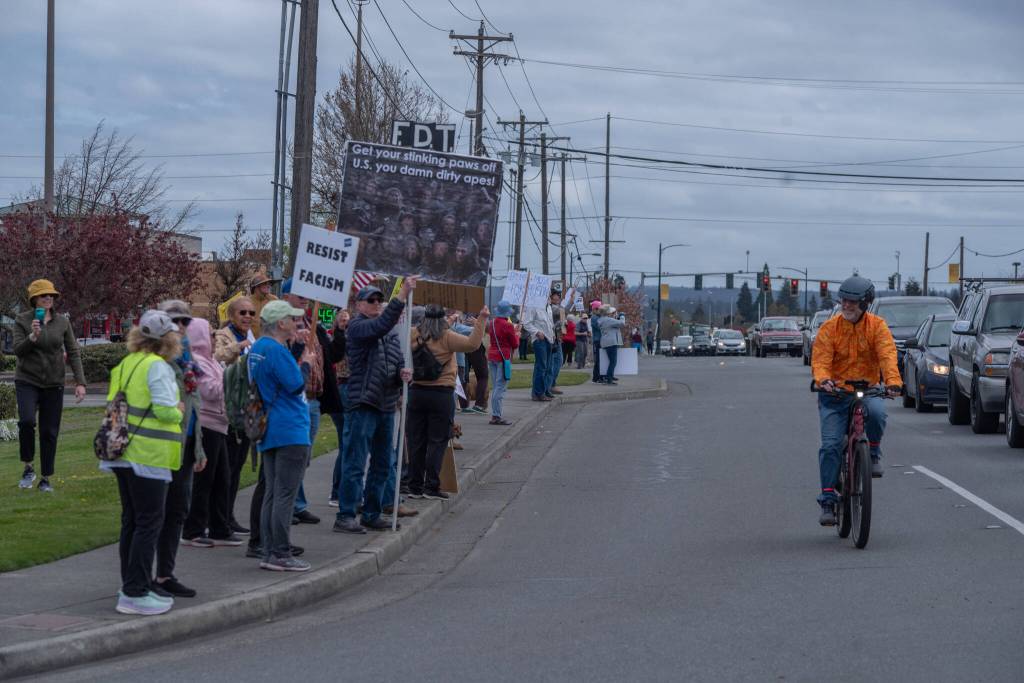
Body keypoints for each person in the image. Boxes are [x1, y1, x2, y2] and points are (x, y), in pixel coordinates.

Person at [102, 310, 183, 616]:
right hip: (148, 455)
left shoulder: (126, 363)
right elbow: (164, 410)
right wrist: (178, 409)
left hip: (122, 453)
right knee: (149, 523)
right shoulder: (157, 366)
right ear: (166, 339)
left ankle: (132, 585)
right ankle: (135, 592)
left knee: (133, 522)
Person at [811, 275, 902, 527]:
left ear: (865, 303)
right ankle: (828, 501)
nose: (846, 305)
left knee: (877, 413)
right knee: (830, 445)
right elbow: (820, 359)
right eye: (843, 300)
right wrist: (823, 379)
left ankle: (872, 452)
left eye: (852, 301)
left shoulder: (877, 327)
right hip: (835, 394)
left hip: (867, 389)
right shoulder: (829, 328)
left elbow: (887, 355)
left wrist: (893, 382)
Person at [333, 278, 417, 534]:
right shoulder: (358, 327)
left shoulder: (388, 333)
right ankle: (346, 514)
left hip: (386, 404)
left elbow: (396, 360)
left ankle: (371, 513)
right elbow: (381, 325)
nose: (377, 303)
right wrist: (402, 294)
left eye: (379, 300)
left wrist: (403, 375)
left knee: (383, 463)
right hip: (363, 403)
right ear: (359, 304)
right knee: (355, 461)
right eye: (371, 300)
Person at [248, 300, 312, 571]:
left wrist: (295, 351)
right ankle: (281, 553)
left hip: (269, 426)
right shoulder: (275, 350)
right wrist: (306, 364)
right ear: (281, 323)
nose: (296, 322)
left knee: (272, 494)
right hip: (289, 428)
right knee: (285, 494)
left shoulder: (259, 348)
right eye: (292, 318)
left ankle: (268, 550)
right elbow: (295, 385)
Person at [152, 301, 206, 599]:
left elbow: (194, 407)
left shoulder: (188, 360)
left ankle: (165, 573)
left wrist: (199, 448)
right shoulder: (159, 362)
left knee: (177, 511)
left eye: (186, 321)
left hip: (184, 446)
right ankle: (143, 577)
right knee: (153, 514)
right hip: (160, 448)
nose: (182, 327)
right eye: (175, 321)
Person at [12, 279, 87, 491]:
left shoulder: (62, 322)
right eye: (44, 295)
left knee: (49, 431)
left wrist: (80, 382)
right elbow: (18, 350)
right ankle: (28, 467)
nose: (48, 298)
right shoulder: (22, 320)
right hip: (27, 380)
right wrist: (32, 336)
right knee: (27, 421)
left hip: (54, 383)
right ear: (34, 299)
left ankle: (45, 478)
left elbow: (73, 352)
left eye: (51, 295)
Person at [280, 278, 344, 526]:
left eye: (307, 294)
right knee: (293, 455)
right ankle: (290, 506)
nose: (305, 297)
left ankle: (296, 503)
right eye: (299, 293)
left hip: (314, 399)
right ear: (286, 297)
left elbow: (333, 356)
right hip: (294, 399)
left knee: (303, 456)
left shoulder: (314, 325)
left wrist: (340, 330)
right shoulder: (282, 326)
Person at [407, 303, 488, 499]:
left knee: (416, 440)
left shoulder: (412, 334)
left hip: (416, 391)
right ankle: (431, 486)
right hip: (441, 393)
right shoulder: (446, 336)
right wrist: (482, 319)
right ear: (442, 319)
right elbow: (473, 344)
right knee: (438, 440)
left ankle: (414, 486)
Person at [181, 316, 243, 548]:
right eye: (210, 332)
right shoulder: (197, 362)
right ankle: (193, 530)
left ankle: (219, 527)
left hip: (219, 423)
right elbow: (210, 391)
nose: (214, 336)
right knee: (205, 480)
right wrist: (234, 375)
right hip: (207, 423)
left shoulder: (211, 361)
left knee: (221, 479)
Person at [213, 296, 257, 534]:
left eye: (251, 313)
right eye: (243, 313)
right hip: (230, 409)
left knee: (237, 466)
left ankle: (227, 515)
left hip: (247, 408)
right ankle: (219, 518)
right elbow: (216, 357)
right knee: (227, 468)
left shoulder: (252, 336)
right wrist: (237, 348)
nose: (248, 317)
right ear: (231, 315)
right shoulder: (223, 335)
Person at [487, 300, 519, 426]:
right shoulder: (508, 325)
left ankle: (496, 414)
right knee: (500, 387)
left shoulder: (492, 323)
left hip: (492, 356)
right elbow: (514, 344)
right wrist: (517, 334)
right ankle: (496, 416)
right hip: (503, 357)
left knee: (496, 386)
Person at [522, 291, 557, 402]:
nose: (548, 296)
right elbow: (526, 323)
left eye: (549, 294)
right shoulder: (533, 306)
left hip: (549, 339)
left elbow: (550, 323)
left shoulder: (548, 307)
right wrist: (537, 332)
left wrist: (553, 334)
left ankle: (544, 390)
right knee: (541, 367)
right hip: (540, 340)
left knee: (547, 367)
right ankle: (538, 393)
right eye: (546, 293)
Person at [597, 306, 625, 385]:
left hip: (605, 342)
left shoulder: (601, 320)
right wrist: (622, 316)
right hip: (611, 342)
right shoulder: (608, 320)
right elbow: (622, 323)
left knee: (611, 361)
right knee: (613, 361)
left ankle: (610, 375)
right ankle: (609, 378)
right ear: (607, 312)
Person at [248, 271, 280, 338]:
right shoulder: (246, 301)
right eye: (265, 284)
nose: (268, 286)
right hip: (250, 341)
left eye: (269, 284)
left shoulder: (274, 300)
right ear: (256, 286)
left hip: (269, 340)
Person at [590, 301, 604, 383]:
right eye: (598, 309)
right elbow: (600, 327)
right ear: (594, 309)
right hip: (597, 340)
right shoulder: (594, 318)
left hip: (601, 340)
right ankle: (597, 377)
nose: (600, 311)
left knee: (601, 359)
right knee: (598, 359)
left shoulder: (599, 317)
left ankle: (598, 376)